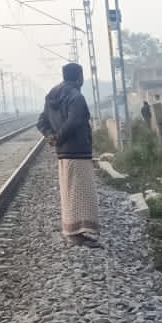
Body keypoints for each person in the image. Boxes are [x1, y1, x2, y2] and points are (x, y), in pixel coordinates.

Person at [37, 63, 100, 249]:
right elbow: (74, 121)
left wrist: (51, 136)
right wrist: (58, 137)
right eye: (82, 76)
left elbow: (41, 122)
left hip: (64, 153)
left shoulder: (52, 96)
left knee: (70, 192)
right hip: (78, 151)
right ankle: (75, 235)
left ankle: (74, 232)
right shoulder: (75, 97)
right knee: (80, 193)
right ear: (79, 77)